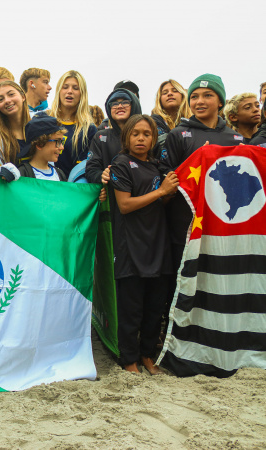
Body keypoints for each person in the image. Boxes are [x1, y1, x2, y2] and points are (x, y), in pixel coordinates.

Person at [108, 114, 178, 374]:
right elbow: (125, 206)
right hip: (131, 247)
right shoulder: (121, 164)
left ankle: (148, 355)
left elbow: (161, 203)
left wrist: (167, 194)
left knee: (155, 307)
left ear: (153, 138)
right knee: (131, 309)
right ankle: (129, 359)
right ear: (126, 137)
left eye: (146, 134)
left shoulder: (159, 166)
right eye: (135, 133)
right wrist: (161, 191)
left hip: (158, 245)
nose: (141, 138)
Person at [161, 74, 245, 281]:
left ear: (220, 102)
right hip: (185, 226)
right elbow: (164, 173)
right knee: (185, 281)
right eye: (194, 96)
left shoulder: (235, 138)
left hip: (222, 224)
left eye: (207, 95)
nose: (199, 101)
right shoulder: (178, 134)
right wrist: (196, 161)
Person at [48, 70, 97, 175]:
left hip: (73, 187)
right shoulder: (46, 120)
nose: (69, 91)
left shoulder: (89, 129)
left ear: (82, 94)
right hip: (44, 184)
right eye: (65, 87)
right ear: (59, 91)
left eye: (75, 88)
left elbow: (88, 166)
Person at [17, 115, 68, 181]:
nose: (62, 147)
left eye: (62, 141)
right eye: (57, 141)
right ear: (40, 144)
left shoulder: (60, 174)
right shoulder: (23, 173)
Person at [0, 81, 31, 164]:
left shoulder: (38, 128)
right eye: (1, 99)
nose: (7, 101)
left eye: (11, 94)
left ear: (23, 96)